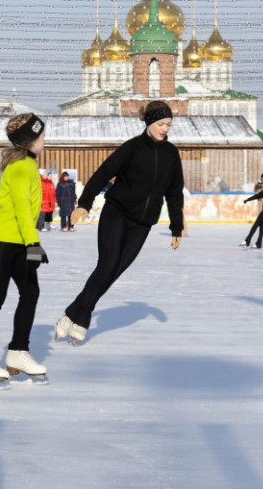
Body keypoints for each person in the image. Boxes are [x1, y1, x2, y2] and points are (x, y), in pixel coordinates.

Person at [59, 100, 185, 345]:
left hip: (143, 223)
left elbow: (174, 193)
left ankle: (72, 311)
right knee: (107, 265)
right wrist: (84, 203)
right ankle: (82, 317)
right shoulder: (132, 148)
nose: (165, 129)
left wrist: (176, 226)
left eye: (168, 124)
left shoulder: (171, 154)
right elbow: (101, 175)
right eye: (161, 123)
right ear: (149, 122)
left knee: (115, 271)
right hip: (117, 212)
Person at [0, 113, 48, 388]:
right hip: (3, 240)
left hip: (15, 239)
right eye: (41, 136)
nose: (44, 141)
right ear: (29, 141)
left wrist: (30, 242)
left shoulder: (26, 165)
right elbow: (22, 209)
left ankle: (17, 352)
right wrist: (33, 243)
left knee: (30, 291)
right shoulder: (21, 168)